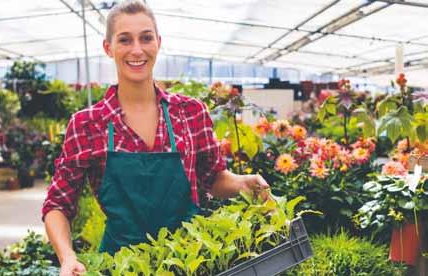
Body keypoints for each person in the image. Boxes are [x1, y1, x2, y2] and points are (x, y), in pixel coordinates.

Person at [42, 1, 270, 275]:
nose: (137, 50)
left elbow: (212, 178)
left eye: (146, 38)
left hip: (191, 260)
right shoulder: (87, 124)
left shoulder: (190, 112)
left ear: (158, 43)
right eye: (125, 40)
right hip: (122, 265)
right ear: (108, 47)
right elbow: (58, 203)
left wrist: (244, 183)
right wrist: (67, 257)